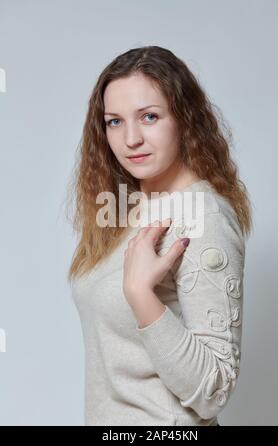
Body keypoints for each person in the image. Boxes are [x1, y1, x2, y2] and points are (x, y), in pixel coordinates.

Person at [65, 45, 253, 426]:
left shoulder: (204, 215)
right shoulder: (124, 208)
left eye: (149, 116)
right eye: (114, 121)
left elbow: (214, 389)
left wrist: (140, 296)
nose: (130, 138)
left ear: (186, 120)